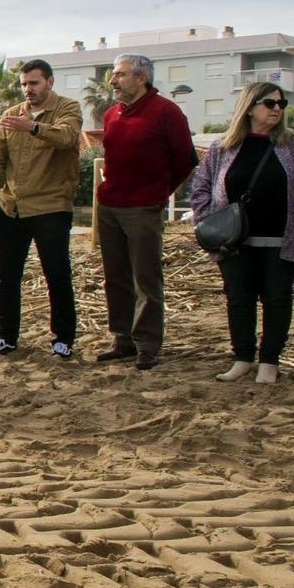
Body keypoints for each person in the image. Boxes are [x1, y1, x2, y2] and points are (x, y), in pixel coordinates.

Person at [188, 83, 294, 384]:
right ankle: (242, 358)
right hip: (233, 240)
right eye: (269, 103)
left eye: (282, 103)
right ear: (249, 107)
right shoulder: (222, 147)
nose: (277, 108)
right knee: (239, 298)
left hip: (283, 238)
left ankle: (269, 362)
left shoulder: (293, 146)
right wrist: (206, 222)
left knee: (277, 298)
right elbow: (200, 188)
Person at [94, 53, 196, 369]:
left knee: (146, 280)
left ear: (142, 78)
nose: (113, 80)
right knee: (116, 277)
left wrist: (158, 191)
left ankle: (147, 344)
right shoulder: (111, 115)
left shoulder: (167, 112)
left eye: (121, 74)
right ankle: (121, 339)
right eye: (113, 74)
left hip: (143, 207)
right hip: (110, 205)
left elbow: (186, 159)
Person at [0, 58, 83, 359]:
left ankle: (63, 338)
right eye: (24, 84)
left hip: (51, 207)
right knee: (7, 275)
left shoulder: (68, 108)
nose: (28, 89)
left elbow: (67, 138)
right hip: (11, 207)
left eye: (34, 83)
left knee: (56, 273)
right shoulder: (11, 115)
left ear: (50, 82)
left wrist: (34, 127)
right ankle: (6, 335)